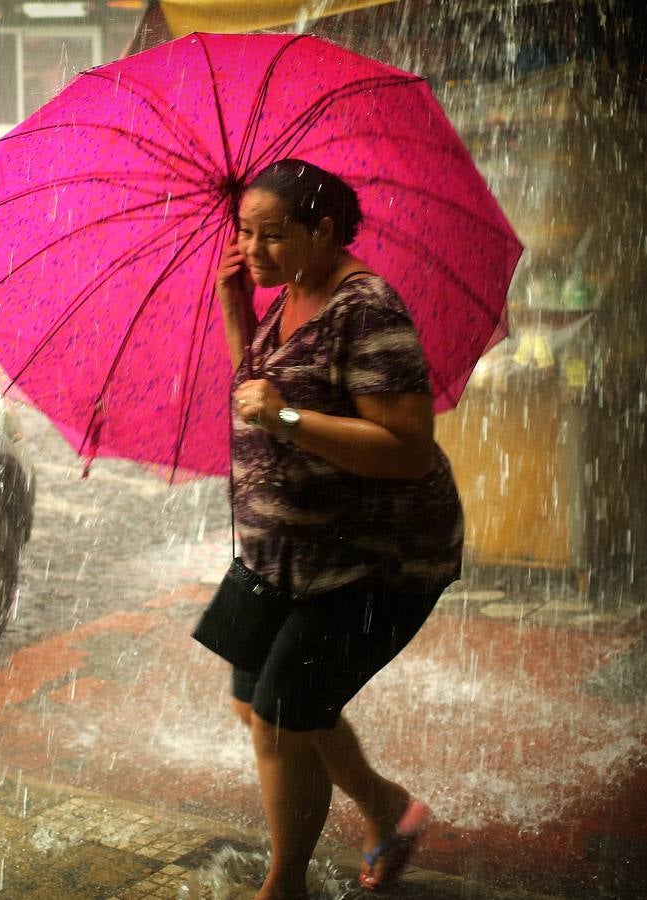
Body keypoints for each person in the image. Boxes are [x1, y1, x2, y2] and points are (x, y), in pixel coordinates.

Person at [212, 159, 463, 899]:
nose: (251, 251)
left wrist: (285, 418)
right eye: (243, 233)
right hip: (280, 552)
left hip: (370, 557)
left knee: (283, 718)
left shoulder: (367, 309)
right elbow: (260, 393)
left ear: (323, 230)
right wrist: (236, 314)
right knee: (251, 699)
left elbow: (407, 447)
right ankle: (389, 808)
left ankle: (281, 888)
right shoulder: (286, 291)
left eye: (272, 236)